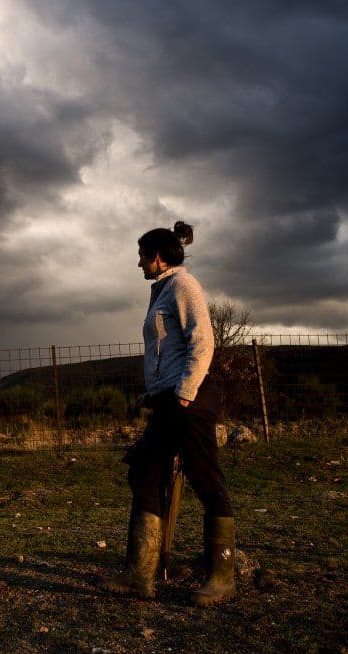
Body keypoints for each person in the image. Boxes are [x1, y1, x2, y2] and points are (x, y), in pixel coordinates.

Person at [98, 221, 235, 606]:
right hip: (169, 400)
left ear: (157, 257)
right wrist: (154, 393)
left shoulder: (183, 286)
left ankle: (222, 577)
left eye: (142, 255)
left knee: (206, 478)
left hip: (188, 401)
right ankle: (140, 575)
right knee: (144, 471)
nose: (138, 262)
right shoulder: (162, 290)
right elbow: (166, 351)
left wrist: (185, 394)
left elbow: (202, 341)